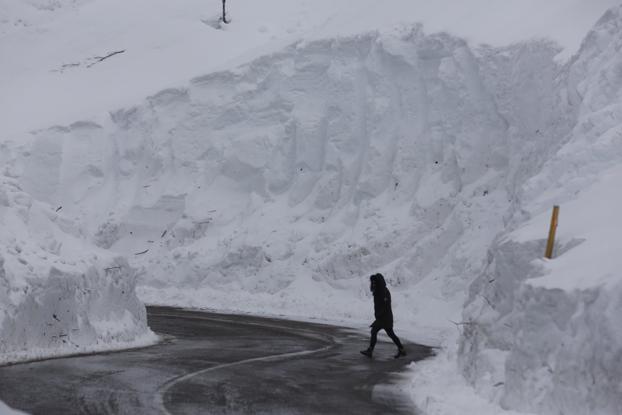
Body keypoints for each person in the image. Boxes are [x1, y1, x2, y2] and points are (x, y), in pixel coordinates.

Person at [360, 273, 406, 359]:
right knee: (390, 334)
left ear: (379, 282)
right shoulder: (378, 291)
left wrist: (380, 315)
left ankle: (370, 350)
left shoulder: (383, 292)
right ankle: (401, 349)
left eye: (374, 282)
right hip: (383, 317)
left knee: (374, 331)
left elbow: (386, 305)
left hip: (384, 318)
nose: (373, 284)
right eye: (372, 282)